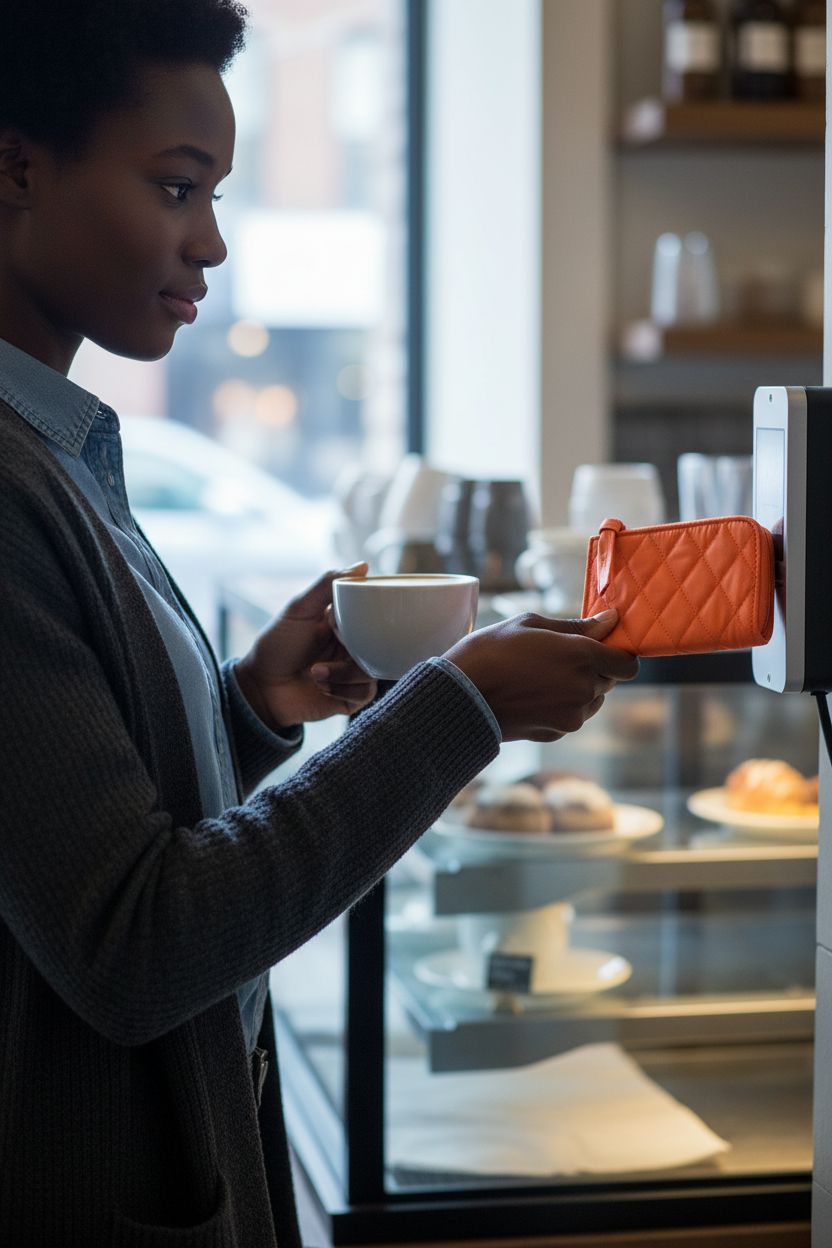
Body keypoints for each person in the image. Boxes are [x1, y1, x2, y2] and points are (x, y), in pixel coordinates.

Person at [0, 2, 639, 1244]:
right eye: (178, 188)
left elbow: (64, 830)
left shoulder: (56, 449)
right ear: (17, 168)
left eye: (217, 195)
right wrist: (458, 712)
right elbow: (131, 944)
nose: (212, 246)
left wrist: (250, 707)